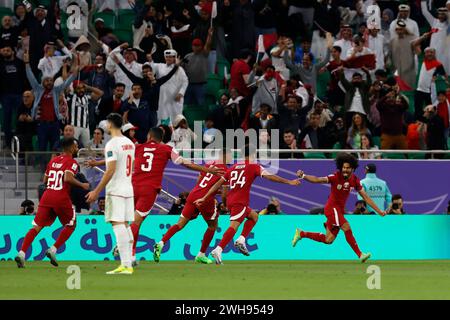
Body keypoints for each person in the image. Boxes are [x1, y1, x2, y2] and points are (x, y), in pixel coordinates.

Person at [90, 127, 224, 266]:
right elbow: (184, 162)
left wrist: (96, 163)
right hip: (149, 190)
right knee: (136, 223)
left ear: (149, 136)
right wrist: (206, 169)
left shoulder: (138, 147)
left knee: (133, 222)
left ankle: (132, 255)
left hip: (132, 187)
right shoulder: (166, 149)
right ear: (162, 138)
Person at [194, 144, 300, 264]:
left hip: (231, 200)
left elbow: (217, 185)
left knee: (254, 216)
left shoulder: (232, 168)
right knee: (233, 226)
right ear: (253, 154)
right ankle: (218, 249)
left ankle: (241, 239)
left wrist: (204, 197)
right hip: (240, 201)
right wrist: (289, 182)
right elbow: (270, 177)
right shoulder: (253, 166)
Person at [292, 153, 386, 263]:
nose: (345, 170)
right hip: (332, 209)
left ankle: (301, 233)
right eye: (343, 167)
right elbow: (318, 179)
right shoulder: (335, 177)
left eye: (348, 168)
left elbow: (365, 197)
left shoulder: (355, 180)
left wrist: (379, 211)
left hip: (339, 211)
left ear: (353, 168)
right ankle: (360, 254)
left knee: (328, 240)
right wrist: (303, 176)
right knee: (346, 227)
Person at [15, 138, 89, 268]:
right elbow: (67, 177)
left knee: (37, 227)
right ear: (71, 148)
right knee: (71, 224)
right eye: (76, 146)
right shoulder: (72, 162)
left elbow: (45, 179)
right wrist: (82, 185)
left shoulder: (53, 160)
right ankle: (53, 249)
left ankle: (21, 253)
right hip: (61, 196)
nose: (77, 149)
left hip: (47, 196)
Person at [154, 149, 231, 264]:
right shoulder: (225, 170)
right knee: (212, 226)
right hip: (206, 199)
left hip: (193, 195)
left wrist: (205, 192)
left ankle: (161, 243)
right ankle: (201, 254)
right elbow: (225, 193)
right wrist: (224, 202)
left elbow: (199, 181)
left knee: (179, 224)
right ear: (226, 155)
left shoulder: (209, 164)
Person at [85, 113, 136, 275]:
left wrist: (96, 191)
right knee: (125, 225)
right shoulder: (129, 143)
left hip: (115, 190)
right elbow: (130, 165)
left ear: (109, 124)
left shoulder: (112, 144)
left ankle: (126, 264)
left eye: (106, 123)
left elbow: (111, 169)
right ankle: (129, 262)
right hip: (128, 188)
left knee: (117, 223)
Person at [148, 49, 189, 126]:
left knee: (176, 118)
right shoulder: (160, 66)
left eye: (171, 57)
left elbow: (185, 81)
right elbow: (151, 66)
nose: (168, 58)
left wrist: (181, 93)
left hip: (175, 98)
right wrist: (150, 59)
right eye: (167, 57)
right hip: (163, 98)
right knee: (163, 118)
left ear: (175, 58)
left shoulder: (180, 69)